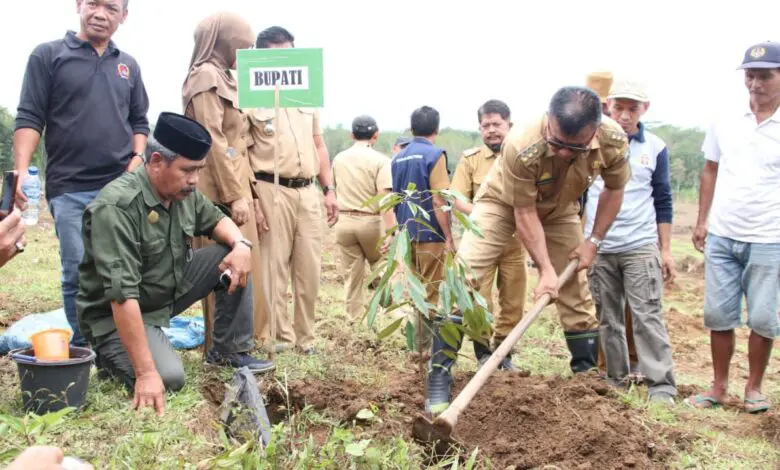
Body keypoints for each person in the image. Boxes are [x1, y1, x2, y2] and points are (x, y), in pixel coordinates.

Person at [426, 86, 631, 414]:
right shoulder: (521, 143)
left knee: (576, 293)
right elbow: (523, 212)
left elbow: (615, 189)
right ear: (549, 121)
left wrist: (593, 241)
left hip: (561, 208)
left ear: (594, 131)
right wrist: (546, 270)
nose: (564, 153)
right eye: (558, 143)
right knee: (463, 275)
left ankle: (586, 380)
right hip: (501, 204)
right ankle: (438, 379)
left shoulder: (614, 140)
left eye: (574, 148)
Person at [76, 112, 274, 417]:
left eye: (199, 170)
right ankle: (110, 356)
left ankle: (229, 352)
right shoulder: (116, 208)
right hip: (117, 313)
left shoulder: (182, 192)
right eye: (188, 170)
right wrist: (145, 373)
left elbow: (218, 220)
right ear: (156, 161)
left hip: (163, 292)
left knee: (232, 253)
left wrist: (241, 245)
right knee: (169, 378)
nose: (195, 180)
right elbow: (121, 296)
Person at [13, 0, 149, 347]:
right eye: (93, 3)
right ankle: (85, 345)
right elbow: (30, 117)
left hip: (119, 187)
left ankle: (124, 339)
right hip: (69, 186)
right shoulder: (48, 56)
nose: (100, 13)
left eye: (111, 7)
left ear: (124, 16)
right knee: (77, 268)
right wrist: (19, 170)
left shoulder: (128, 66)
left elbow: (139, 121)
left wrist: (136, 159)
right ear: (78, 5)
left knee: (124, 267)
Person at [687, 41, 780, 414]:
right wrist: (701, 220)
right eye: (750, 76)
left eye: (765, 76)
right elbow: (710, 168)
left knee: (763, 317)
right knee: (718, 315)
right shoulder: (725, 118)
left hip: (771, 236)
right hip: (723, 233)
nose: (755, 84)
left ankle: (754, 387)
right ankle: (719, 386)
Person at [584, 79, 678, 404]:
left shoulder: (655, 147)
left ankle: (661, 386)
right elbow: (580, 196)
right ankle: (615, 379)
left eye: (632, 108)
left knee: (646, 314)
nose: (624, 115)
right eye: (619, 107)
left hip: (639, 244)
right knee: (607, 318)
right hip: (600, 247)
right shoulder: (590, 143)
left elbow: (663, 201)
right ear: (608, 105)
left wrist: (665, 250)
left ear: (644, 109)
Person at [246, 26, 338, 355]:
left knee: (310, 269)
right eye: (277, 52)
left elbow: (318, 143)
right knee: (273, 268)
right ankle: (277, 339)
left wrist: (328, 189)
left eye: (290, 50)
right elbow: (242, 152)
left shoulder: (305, 92)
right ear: (262, 56)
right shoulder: (250, 95)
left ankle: (306, 339)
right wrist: (252, 200)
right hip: (271, 188)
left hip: (308, 190)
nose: (285, 58)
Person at [182, 12, 270, 352]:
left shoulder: (228, 79)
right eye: (241, 47)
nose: (244, 55)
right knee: (223, 267)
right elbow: (213, 141)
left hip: (236, 187)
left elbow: (238, 149)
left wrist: (252, 197)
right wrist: (234, 196)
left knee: (242, 267)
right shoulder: (205, 77)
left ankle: (237, 343)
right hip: (215, 193)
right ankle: (220, 349)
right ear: (223, 42)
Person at [450, 99, 527, 370]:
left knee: (513, 302)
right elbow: (458, 198)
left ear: (510, 125)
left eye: (497, 124)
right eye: (486, 125)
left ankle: (504, 354)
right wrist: (489, 220)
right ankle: (483, 352)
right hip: (480, 241)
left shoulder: (524, 156)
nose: (492, 130)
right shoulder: (470, 160)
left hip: (515, 245)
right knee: (478, 300)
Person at [585, 71, 639, 375]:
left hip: (632, 239)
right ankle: (605, 369)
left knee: (636, 311)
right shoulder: (580, 140)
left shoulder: (639, 145)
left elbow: (661, 199)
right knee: (602, 309)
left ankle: (634, 364)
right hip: (596, 240)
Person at [391, 106, 454, 356]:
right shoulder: (435, 155)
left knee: (415, 290)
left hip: (407, 234)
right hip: (430, 235)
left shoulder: (398, 158)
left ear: (412, 128)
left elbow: (395, 198)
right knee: (430, 292)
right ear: (436, 130)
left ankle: (416, 345)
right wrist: (449, 235)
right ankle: (422, 348)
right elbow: (440, 199)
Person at [331, 115, 395, 319]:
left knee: (352, 275)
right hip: (370, 222)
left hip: (344, 222)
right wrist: (391, 231)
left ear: (352, 134)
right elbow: (385, 198)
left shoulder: (339, 158)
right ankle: (391, 313)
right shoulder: (381, 161)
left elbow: (333, 188)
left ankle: (353, 319)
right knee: (382, 269)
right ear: (376, 135)